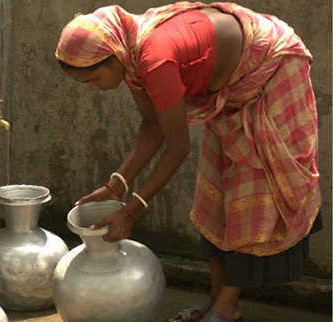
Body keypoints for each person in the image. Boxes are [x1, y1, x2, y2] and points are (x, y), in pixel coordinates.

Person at [55, 2, 321, 322]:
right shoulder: (130, 51)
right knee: (217, 189)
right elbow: (153, 125)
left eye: (94, 79)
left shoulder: (154, 60)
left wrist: (131, 210)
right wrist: (115, 186)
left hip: (270, 67)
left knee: (254, 188)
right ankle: (216, 299)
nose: (94, 89)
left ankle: (227, 306)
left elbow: (177, 148)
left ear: (113, 56)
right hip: (230, 86)